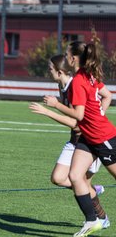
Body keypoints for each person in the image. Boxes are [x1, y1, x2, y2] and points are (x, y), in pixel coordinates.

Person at [44, 41, 116, 237]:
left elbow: (79, 116)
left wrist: (55, 105)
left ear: (73, 58)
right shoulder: (85, 75)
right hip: (88, 137)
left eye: (67, 53)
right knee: (76, 177)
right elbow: (101, 99)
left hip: (103, 137)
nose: (66, 56)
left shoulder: (78, 80)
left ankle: (97, 218)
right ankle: (93, 220)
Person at [29, 54, 109, 228]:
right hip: (74, 141)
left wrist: (48, 111)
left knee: (79, 182)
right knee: (58, 178)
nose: (47, 71)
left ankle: (101, 218)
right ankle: (94, 197)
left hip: (89, 143)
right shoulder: (62, 85)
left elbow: (77, 124)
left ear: (59, 71)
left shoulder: (76, 86)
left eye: (50, 68)